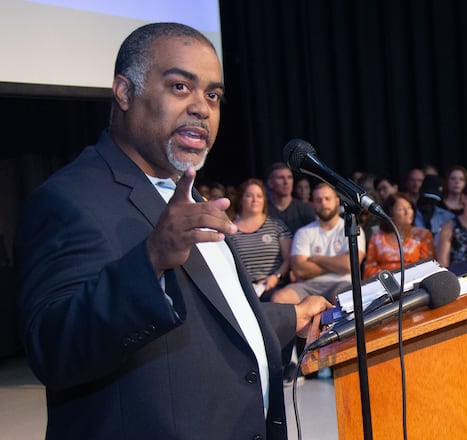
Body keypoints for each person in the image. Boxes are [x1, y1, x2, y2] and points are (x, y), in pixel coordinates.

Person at [13, 23, 330, 439]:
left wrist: (291, 315)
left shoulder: (186, 193)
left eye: (213, 95)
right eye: (181, 87)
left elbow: (211, 316)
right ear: (124, 93)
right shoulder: (68, 199)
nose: (202, 107)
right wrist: (151, 259)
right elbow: (51, 349)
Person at [270, 183, 366, 304]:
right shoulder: (303, 232)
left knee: (344, 297)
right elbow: (300, 270)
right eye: (318, 200)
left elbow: (349, 264)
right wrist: (336, 266)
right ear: (313, 203)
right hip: (308, 286)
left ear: (337, 201)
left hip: (341, 283)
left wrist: (316, 258)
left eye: (327, 199)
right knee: (279, 298)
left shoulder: (351, 229)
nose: (323, 203)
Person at [231, 178, 292, 299]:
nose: (255, 200)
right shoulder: (230, 230)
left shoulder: (277, 226)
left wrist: (276, 277)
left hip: (274, 289)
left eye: (259, 196)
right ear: (241, 199)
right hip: (242, 292)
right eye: (249, 195)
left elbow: (288, 259)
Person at [363, 193, 434, 279]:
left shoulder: (423, 235)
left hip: (415, 283)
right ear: (391, 212)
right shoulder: (377, 237)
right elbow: (369, 269)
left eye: (409, 208)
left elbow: (427, 267)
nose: (407, 212)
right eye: (401, 209)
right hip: (385, 284)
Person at [266, 162, 316, 235]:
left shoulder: (306, 209)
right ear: (270, 183)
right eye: (281, 178)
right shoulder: (263, 211)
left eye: (289, 177)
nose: (286, 182)